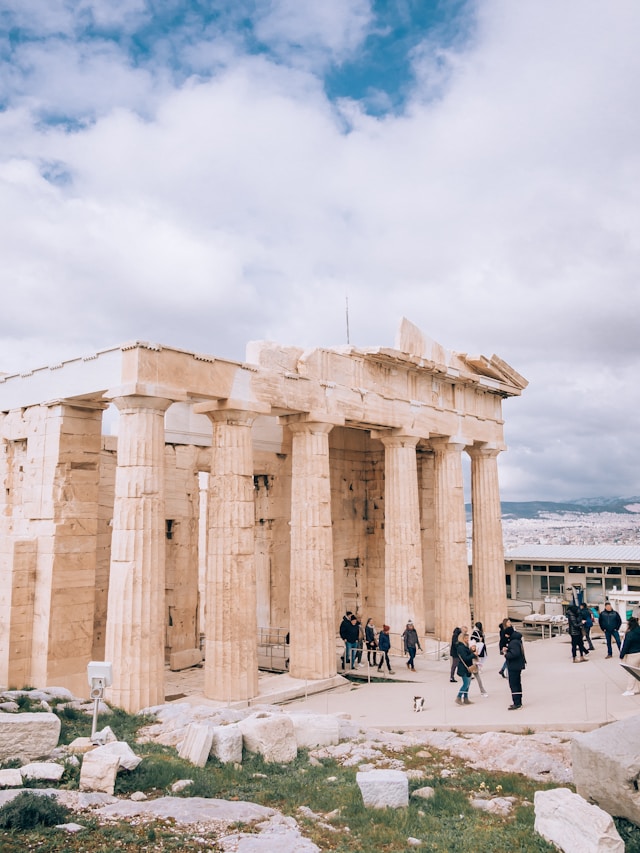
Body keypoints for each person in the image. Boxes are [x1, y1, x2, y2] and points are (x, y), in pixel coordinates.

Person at [503, 625, 526, 709]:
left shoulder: (513, 642)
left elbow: (514, 654)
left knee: (513, 684)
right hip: (517, 665)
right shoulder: (516, 640)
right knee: (517, 683)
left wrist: (506, 654)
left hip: (514, 666)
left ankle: (517, 703)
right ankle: (518, 701)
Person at [620, 615, 640, 696]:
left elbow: (626, 645)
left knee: (631, 673)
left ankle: (630, 689)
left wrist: (621, 655)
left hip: (632, 655)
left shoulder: (630, 634)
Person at [455, 632, 476, 705]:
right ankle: (458, 697)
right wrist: (473, 655)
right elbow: (465, 658)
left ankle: (466, 698)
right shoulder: (461, 647)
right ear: (462, 639)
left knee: (468, 684)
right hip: (464, 668)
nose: (468, 640)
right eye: (466, 638)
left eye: (468, 638)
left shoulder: (465, 646)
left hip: (468, 668)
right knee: (466, 684)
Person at [470, 621, 489, 697]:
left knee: (479, 658)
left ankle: (482, 691)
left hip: (478, 647)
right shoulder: (479, 632)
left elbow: (472, 639)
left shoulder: (476, 632)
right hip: (480, 647)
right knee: (479, 658)